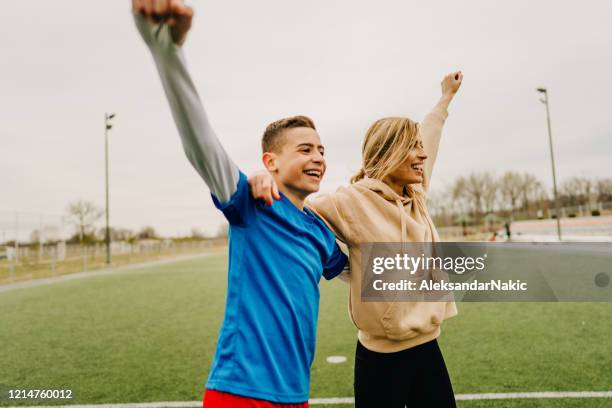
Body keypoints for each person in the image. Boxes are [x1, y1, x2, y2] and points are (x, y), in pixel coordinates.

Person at [131, 1, 348, 406]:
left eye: (321, 149)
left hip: (296, 395)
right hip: (240, 393)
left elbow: (362, 273)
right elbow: (201, 144)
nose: (318, 157)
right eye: (305, 149)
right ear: (270, 161)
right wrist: (167, 52)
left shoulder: (319, 231)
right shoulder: (252, 201)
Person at [249, 72, 463, 407]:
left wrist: (445, 98)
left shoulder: (416, 194)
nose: (422, 156)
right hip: (381, 358)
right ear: (388, 153)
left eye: (421, 148)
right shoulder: (351, 202)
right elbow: (296, 206)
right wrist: (266, 179)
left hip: (428, 348)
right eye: (412, 148)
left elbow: (431, 138)